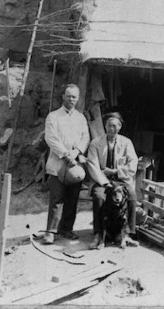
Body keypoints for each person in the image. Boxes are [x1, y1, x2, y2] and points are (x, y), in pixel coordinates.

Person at [43, 84, 90, 244]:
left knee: (72, 198)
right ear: (63, 96)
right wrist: (65, 155)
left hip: (75, 164)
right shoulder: (53, 116)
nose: (71, 99)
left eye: (74, 97)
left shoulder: (80, 118)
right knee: (56, 199)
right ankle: (50, 232)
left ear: (78, 99)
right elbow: (51, 138)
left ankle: (66, 229)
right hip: (58, 163)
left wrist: (76, 153)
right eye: (68, 96)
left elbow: (85, 138)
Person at [88, 112, 139, 249]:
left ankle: (128, 234)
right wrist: (106, 182)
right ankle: (98, 233)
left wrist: (116, 171)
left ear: (120, 127)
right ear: (105, 126)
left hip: (121, 180)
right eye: (109, 125)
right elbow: (92, 166)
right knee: (99, 196)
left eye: (115, 126)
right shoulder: (95, 143)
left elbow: (132, 165)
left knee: (132, 195)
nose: (111, 129)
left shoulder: (126, 143)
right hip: (102, 181)